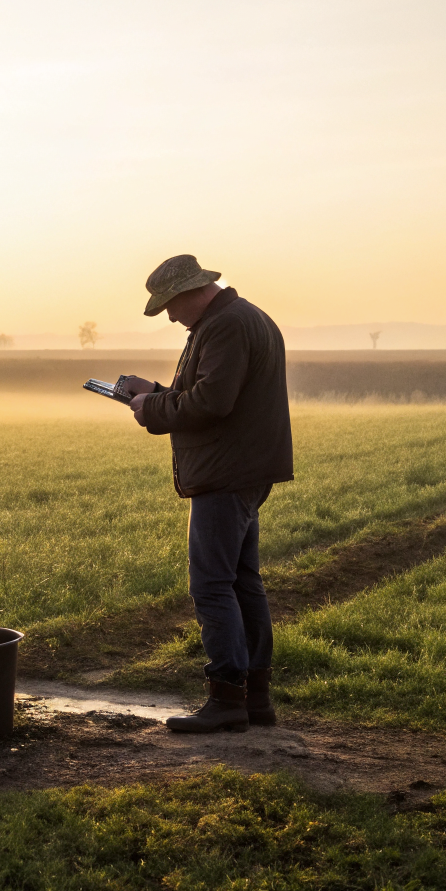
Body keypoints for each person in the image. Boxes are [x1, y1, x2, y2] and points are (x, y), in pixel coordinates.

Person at [122, 254, 294, 732]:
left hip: (226, 472)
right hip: (243, 468)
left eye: (171, 307)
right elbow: (212, 397)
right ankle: (253, 699)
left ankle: (227, 699)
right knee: (242, 582)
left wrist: (150, 407)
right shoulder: (244, 319)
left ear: (191, 293)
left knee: (212, 585)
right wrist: (153, 392)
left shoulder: (224, 326)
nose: (172, 318)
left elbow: (211, 403)